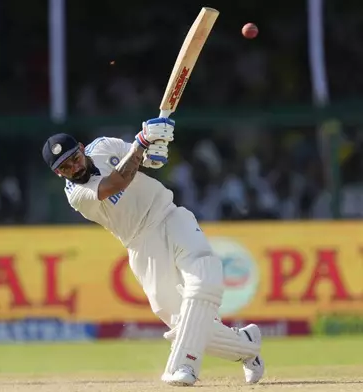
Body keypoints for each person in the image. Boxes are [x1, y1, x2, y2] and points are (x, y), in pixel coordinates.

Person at [41, 118, 265, 387]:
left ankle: (184, 364)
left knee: (203, 277)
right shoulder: (76, 194)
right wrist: (141, 143)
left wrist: (154, 148)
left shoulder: (103, 146)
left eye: (74, 158)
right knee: (179, 320)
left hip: (168, 214)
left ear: (81, 148)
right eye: (65, 167)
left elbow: (147, 161)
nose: (73, 168)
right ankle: (247, 346)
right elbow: (115, 184)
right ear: (58, 174)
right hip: (140, 242)